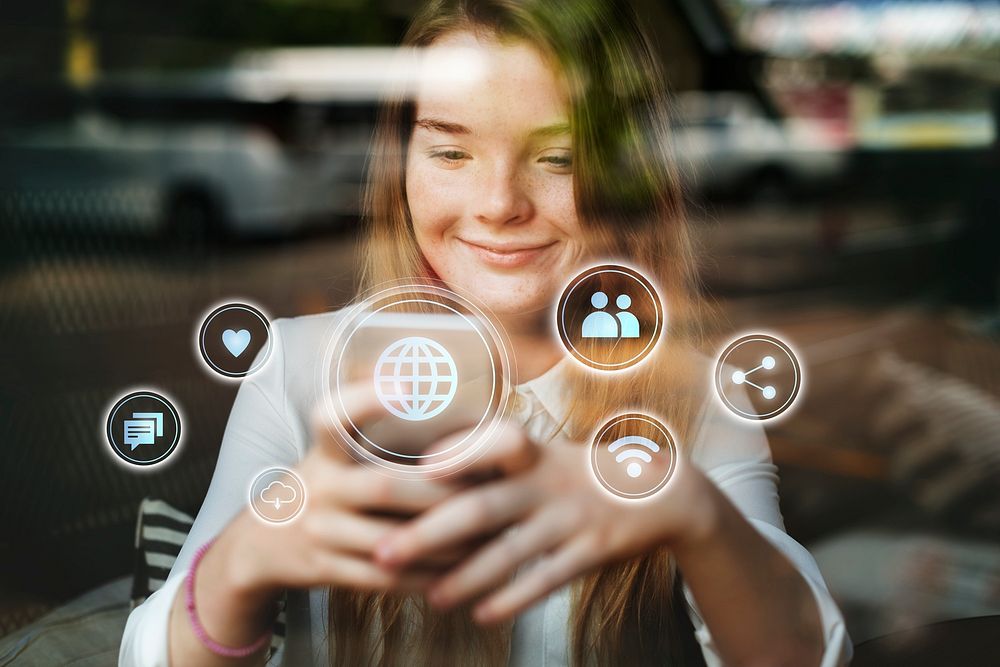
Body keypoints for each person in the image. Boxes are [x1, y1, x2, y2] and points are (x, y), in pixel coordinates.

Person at [120, 0, 852, 665]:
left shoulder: (694, 392)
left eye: (557, 156)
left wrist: (694, 514)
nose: (500, 203)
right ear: (400, 164)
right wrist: (243, 561)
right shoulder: (299, 365)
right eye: (450, 152)